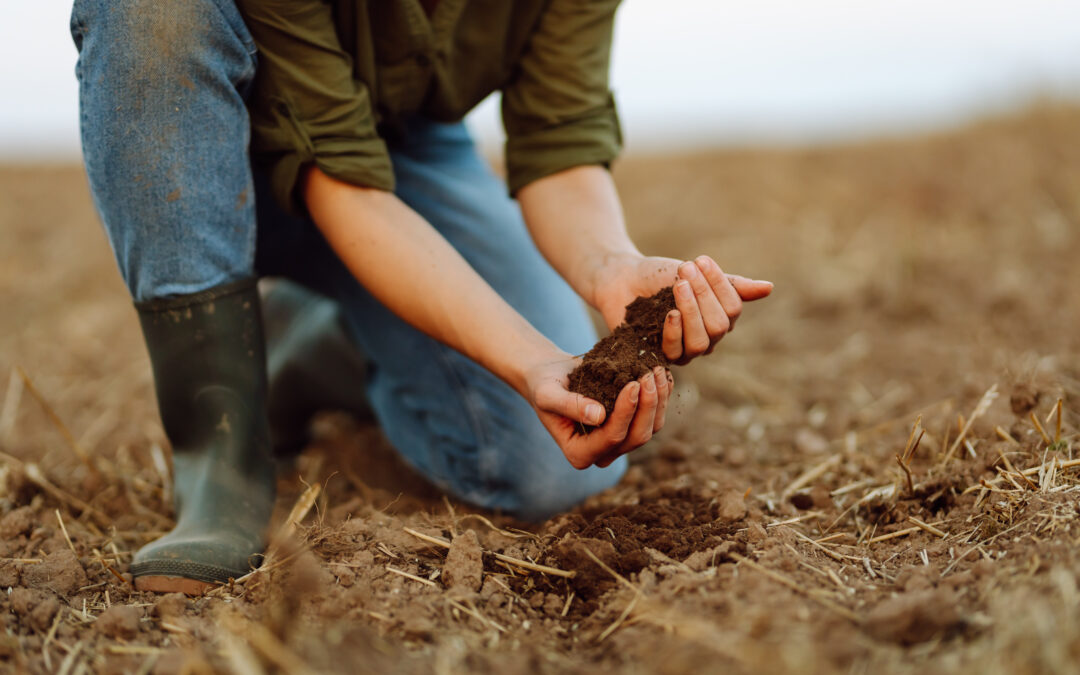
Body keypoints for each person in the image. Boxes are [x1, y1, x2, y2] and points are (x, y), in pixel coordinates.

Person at [70, 0, 773, 595]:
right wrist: (525, 355)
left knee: (540, 462)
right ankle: (217, 462)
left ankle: (312, 344)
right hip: (200, 129)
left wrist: (609, 267)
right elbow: (337, 178)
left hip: (394, 144)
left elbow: (560, 143)